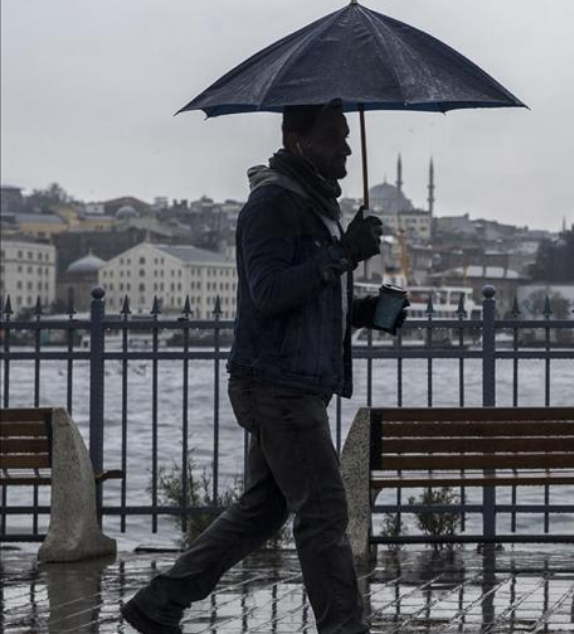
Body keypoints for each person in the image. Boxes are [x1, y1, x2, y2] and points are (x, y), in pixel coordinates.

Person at [121, 102, 402, 634]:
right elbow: (269, 292)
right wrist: (344, 252)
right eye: (335, 137)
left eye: (347, 136)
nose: (346, 147)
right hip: (277, 385)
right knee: (321, 512)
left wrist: (369, 311)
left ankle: (158, 604)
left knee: (262, 511)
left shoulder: (316, 206)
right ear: (300, 143)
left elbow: (312, 297)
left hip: (294, 382)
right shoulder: (272, 204)